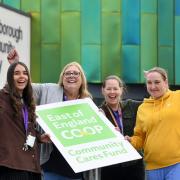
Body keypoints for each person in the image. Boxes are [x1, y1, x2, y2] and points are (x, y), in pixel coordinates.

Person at [7, 48, 92, 180]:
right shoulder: (49, 89)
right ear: (62, 78)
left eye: (76, 73)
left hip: (78, 171)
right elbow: (25, 87)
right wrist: (15, 65)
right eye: (67, 73)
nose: (71, 76)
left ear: (82, 79)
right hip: (51, 167)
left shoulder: (87, 102)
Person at [125, 67, 180, 180]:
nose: (153, 86)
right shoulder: (143, 108)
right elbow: (140, 138)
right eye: (149, 83)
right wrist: (131, 141)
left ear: (166, 82)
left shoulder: (177, 97)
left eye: (157, 82)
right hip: (152, 168)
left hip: (177, 163)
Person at [0, 62, 50, 180]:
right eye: (16, 73)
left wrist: (39, 137)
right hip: (11, 166)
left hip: (31, 165)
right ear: (9, 78)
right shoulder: (2, 99)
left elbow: (26, 130)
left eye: (25, 73)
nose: (22, 76)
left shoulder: (27, 102)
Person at [99, 75, 145, 180]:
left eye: (115, 88)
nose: (112, 92)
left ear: (121, 90)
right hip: (110, 166)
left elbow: (151, 105)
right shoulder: (99, 113)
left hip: (134, 164)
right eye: (108, 89)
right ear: (103, 90)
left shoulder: (132, 105)